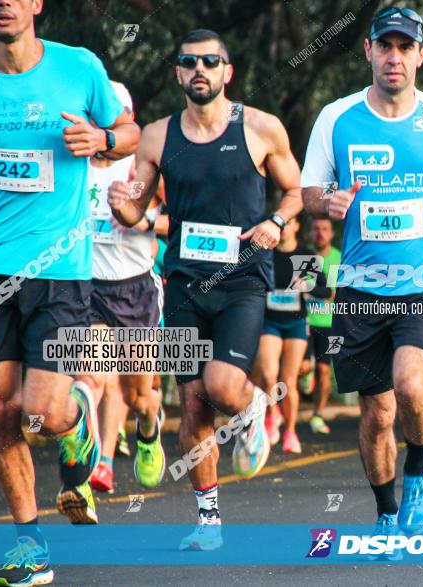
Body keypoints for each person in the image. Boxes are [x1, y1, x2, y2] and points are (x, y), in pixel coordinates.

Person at [108, 29, 303, 550]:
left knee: (221, 386)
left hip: (242, 281)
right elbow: (136, 209)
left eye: (211, 61)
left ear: (227, 72)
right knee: (192, 409)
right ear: (178, 72)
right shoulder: (156, 136)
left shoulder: (261, 128)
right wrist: (121, 202)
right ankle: (209, 522)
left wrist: (278, 223)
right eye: (189, 61)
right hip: (185, 285)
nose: (200, 69)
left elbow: (296, 191)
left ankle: (254, 405)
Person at [301, 7, 423, 541]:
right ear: (369, 52)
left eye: (405, 47)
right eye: (385, 46)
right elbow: (310, 193)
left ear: (421, 56)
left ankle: (418, 467)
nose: (394, 57)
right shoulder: (337, 117)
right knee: (375, 416)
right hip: (360, 286)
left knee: (409, 383)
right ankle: (384, 509)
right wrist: (327, 203)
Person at [0, 1, 140, 583]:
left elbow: (128, 133)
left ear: (35, 5)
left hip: (60, 271)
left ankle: (78, 420)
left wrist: (103, 136)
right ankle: (31, 546)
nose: (4, 2)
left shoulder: (78, 69)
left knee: (41, 414)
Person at [77, 81, 165, 498]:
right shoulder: (72, 167)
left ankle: (148, 429)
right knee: (94, 376)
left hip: (137, 291)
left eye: (115, 116)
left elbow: (179, 222)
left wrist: (141, 218)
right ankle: (94, 466)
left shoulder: (142, 169)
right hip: (88, 290)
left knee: (138, 393)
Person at [252, 216, 331, 453]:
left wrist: (306, 287)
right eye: (280, 225)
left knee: (288, 381)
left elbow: (326, 291)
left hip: (295, 324)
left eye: (289, 225)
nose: (283, 230)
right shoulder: (266, 253)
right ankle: (272, 414)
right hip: (270, 322)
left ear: (297, 226)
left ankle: (291, 433)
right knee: (268, 375)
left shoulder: (305, 256)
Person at [305, 218, 341, 435]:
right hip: (303, 321)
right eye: (316, 228)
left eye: (325, 229)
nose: (320, 233)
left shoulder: (339, 258)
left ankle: (317, 415)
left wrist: (310, 290)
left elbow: (334, 294)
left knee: (324, 370)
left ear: (331, 233)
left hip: (329, 324)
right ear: (310, 232)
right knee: (303, 368)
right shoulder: (302, 256)